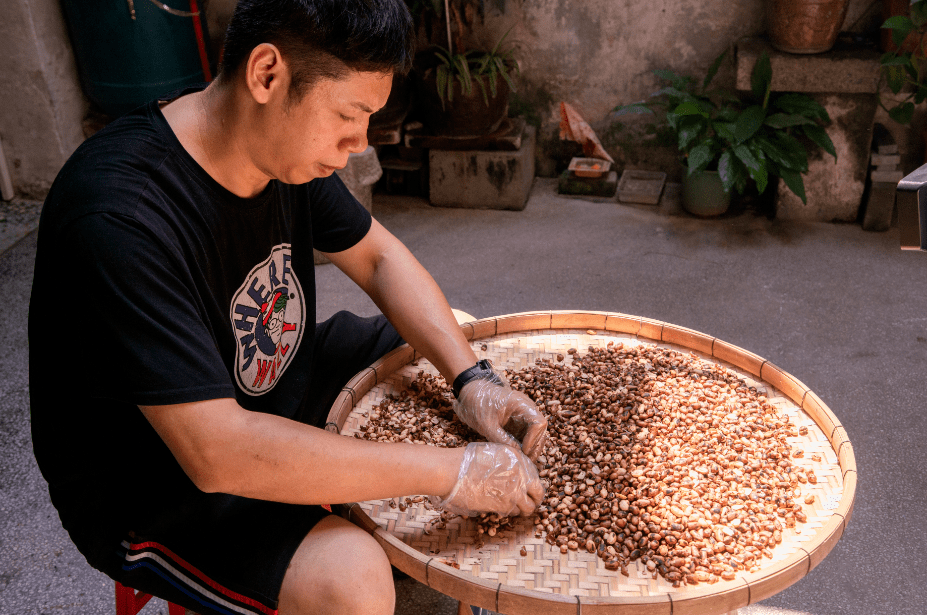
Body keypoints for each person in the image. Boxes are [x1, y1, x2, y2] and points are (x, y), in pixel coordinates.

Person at [27, 1, 547, 614]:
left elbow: (379, 258)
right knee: (353, 580)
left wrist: (471, 379)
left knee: (453, 335)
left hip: (272, 383)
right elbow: (217, 453)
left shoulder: (276, 154)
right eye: (349, 117)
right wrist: (452, 472)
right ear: (267, 74)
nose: (357, 146)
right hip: (158, 478)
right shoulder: (120, 217)